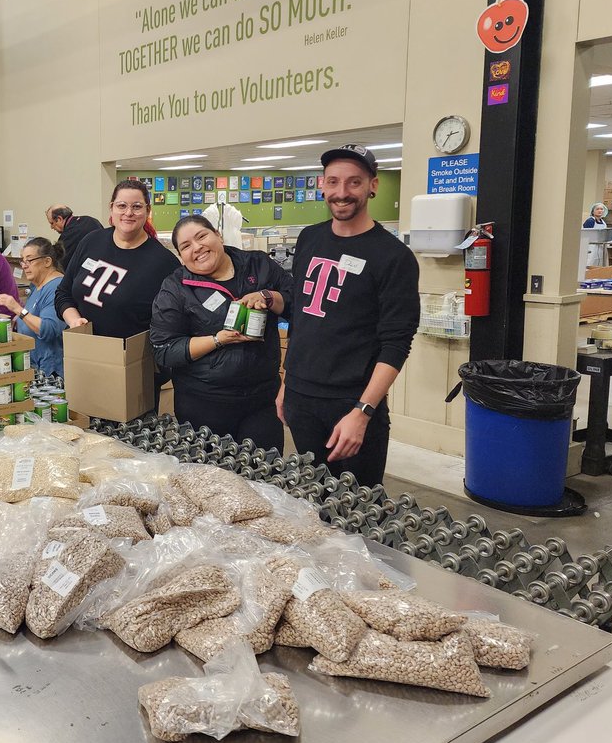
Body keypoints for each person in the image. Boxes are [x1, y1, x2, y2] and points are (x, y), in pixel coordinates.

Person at [276, 144, 419, 488]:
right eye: (334, 182)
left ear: (373, 185)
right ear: (322, 184)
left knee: (360, 509)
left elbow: (396, 343)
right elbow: (301, 318)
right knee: (314, 499)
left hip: (350, 404)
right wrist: (286, 383)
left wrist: (363, 412)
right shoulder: (310, 238)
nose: (342, 193)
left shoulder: (393, 256)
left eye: (354, 183)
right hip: (300, 397)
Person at [150, 215, 291, 452]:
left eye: (202, 236)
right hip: (203, 404)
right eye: (186, 246)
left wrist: (269, 297)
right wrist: (218, 340)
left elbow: (298, 303)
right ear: (181, 257)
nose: (197, 248)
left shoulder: (258, 265)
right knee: (211, 481)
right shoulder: (175, 288)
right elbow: (164, 350)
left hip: (262, 400)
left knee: (264, 479)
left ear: (218, 234)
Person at [56, 181, 180, 338]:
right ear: (112, 208)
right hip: (81, 347)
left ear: (147, 210)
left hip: (128, 357)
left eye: (136, 206)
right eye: (122, 206)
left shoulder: (165, 263)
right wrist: (74, 320)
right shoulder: (91, 241)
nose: (128, 213)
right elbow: (63, 292)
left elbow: (170, 323)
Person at [0, 237, 66, 378]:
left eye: (30, 260)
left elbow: (49, 329)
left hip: (50, 373)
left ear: (47, 261)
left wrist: (18, 309)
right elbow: (33, 314)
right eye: (23, 260)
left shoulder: (55, 288)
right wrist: (17, 320)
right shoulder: (37, 285)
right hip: (34, 366)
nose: (24, 265)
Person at [582, 202, 609, 269]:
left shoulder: (603, 222)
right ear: (593, 211)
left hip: (601, 246)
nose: (600, 211)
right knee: (590, 262)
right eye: (597, 209)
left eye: (601, 209)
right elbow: (585, 234)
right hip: (591, 246)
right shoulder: (590, 221)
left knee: (600, 263)